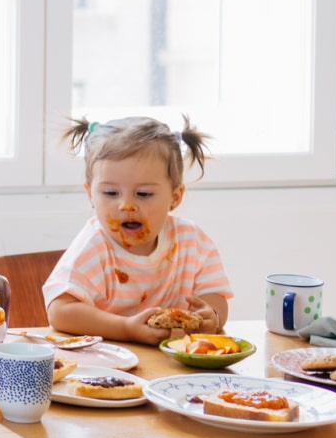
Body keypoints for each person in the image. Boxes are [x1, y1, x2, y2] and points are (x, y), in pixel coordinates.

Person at [44, 114, 231, 346]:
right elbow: (60, 311)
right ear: (90, 194)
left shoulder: (192, 241)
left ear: (175, 197)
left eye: (143, 194)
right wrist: (126, 328)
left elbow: (215, 298)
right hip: (111, 362)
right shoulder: (93, 246)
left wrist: (211, 316)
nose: (127, 205)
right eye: (111, 193)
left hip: (173, 365)